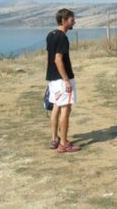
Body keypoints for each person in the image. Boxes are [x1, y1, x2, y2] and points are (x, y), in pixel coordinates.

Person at [46, 8, 80, 153]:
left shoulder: (51, 35)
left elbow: (50, 58)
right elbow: (58, 59)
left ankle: (55, 140)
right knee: (66, 108)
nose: (74, 22)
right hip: (62, 79)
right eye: (72, 20)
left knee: (56, 108)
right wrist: (66, 80)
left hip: (53, 79)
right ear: (64, 20)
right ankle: (64, 143)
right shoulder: (62, 37)